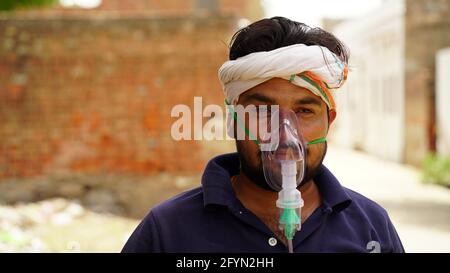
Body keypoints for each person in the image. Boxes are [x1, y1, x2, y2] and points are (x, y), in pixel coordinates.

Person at [122, 16, 404, 253]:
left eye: (305, 111)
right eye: (261, 112)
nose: (284, 134)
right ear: (233, 120)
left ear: (329, 121)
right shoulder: (169, 232)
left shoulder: (371, 227)